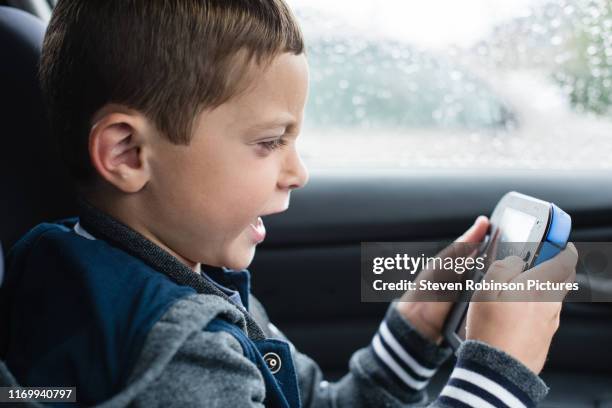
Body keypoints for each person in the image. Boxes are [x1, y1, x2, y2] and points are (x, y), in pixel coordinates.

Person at [0, 0, 578, 407]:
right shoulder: (184, 356)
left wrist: (415, 329)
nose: (297, 172)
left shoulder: (67, 258)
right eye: (270, 142)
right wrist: (499, 373)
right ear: (127, 153)